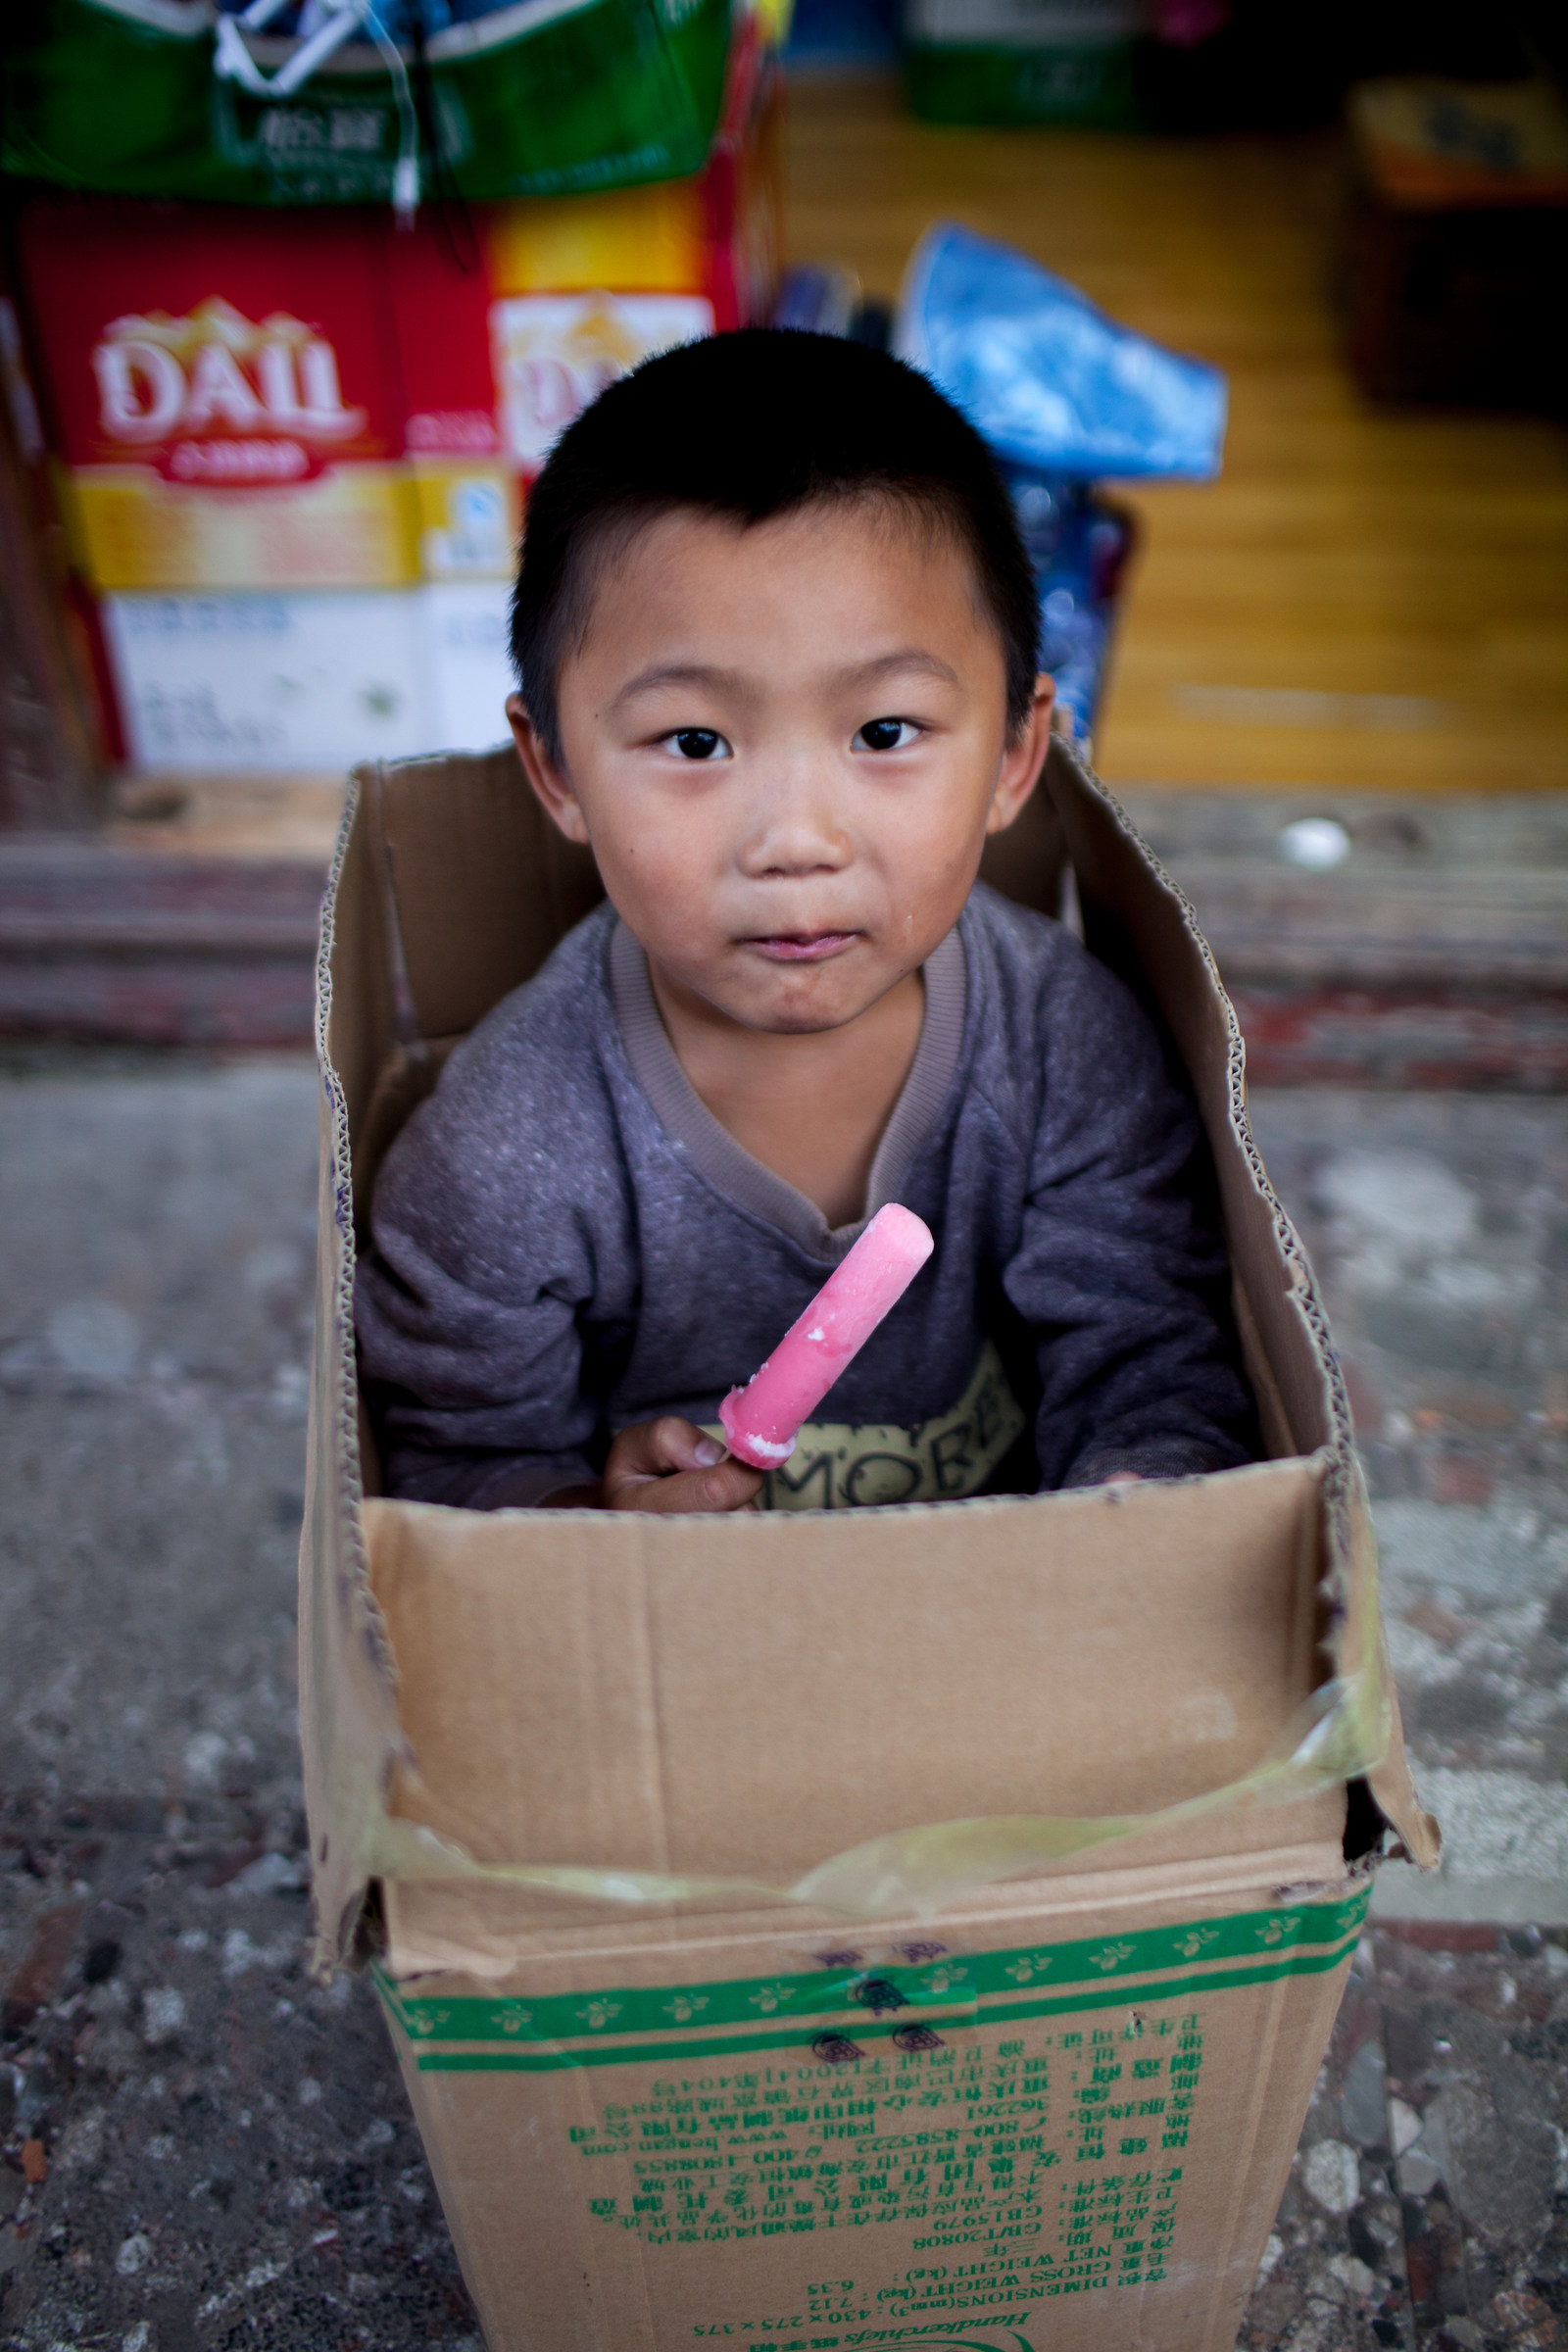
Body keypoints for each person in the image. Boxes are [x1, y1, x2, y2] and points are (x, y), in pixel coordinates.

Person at [355, 328, 1256, 1515]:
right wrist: (585, 1513)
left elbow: (1154, 1360)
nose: (796, 839)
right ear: (557, 771)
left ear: (1016, 754)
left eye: (884, 734)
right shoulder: (497, 1157)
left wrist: (1139, 1501)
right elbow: (453, 1479)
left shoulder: (1068, 1047)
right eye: (694, 743)